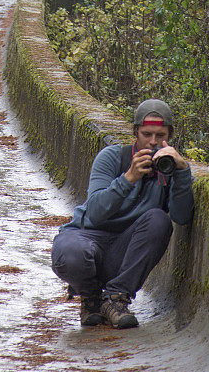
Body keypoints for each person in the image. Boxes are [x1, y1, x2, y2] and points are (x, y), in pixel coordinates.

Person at [51, 99, 194, 329]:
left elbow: (182, 217)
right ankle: (91, 298)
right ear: (135, 132)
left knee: (159, 220)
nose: (153, 142)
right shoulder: (111, 157)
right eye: (147, 134)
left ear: (171, 134)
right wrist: (129, 178)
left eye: (160, 135)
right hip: (87, 239)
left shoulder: (169, 167)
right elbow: (95, 213)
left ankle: (116, 300)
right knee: (72, 252)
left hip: (124, 252)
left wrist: (182, 172)